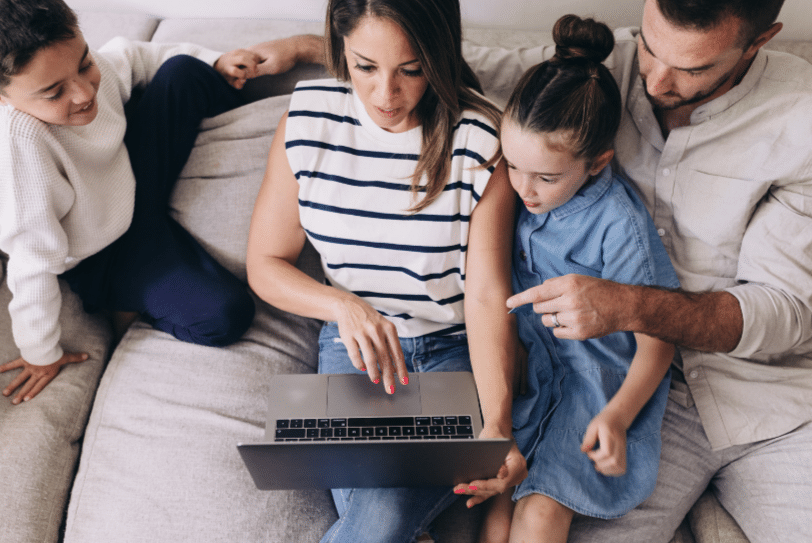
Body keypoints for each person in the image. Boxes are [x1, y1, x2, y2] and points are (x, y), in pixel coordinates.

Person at [464, 0, 812, 541]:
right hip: (624, 391)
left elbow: (786, 312)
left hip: (761, 397)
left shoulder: (800, 117)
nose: (653, 77)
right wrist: (320, 46)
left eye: (692, 68)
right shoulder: (601, 65)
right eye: (650, 46)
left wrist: (630, 306)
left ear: (760, 41)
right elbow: (451, 64)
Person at [245, 0, 526, 540]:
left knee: (386, 514)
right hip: (354, 358)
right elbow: (265, 263)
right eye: (365, 67)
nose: (385, 96)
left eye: (411, 70)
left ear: (438, 57)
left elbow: (488, 297)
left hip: (453, 355)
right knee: (387, 515)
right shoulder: (309, 119)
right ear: (339, 48)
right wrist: (342, 305)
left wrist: (497, 425)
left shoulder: (482, 139)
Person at [0, 0, 321, 404]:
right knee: (225, 316)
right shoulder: (20, 146)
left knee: (183, 71)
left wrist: (216, 61)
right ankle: (125, 304)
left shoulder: (84, 74)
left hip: (130, 182)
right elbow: (31, 264)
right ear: (5, 99)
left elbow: (136, 57)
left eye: (84, 65)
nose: (84, 93)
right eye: (53, 92)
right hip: (102, 254)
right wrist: (40, 353)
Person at [474, 15, 679, 543]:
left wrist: (615, 417)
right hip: (530, 371)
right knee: (492, 511)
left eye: (546, 177)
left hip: (597, 384)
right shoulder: (517, 186)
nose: (525, 189)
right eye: (514, 166)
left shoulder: (619, 224)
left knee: (541, 512)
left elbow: (658, 339)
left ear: (597, 162)